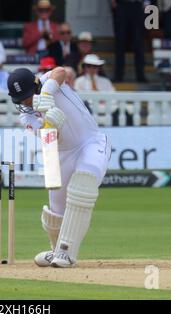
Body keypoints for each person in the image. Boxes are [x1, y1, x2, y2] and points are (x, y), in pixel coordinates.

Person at [7, 67, 111, 268]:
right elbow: (47, 139)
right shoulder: (26, 117)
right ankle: (56, 250)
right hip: (60, 154)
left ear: (36, 85)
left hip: (91, 142)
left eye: (28, 97)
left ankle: (66, 252)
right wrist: (49, 126)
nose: (26, 103)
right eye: (21, 100)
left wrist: (46, 93)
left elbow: (60, 71)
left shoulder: (48, 81)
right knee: (55, 214)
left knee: (84, 181)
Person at [74, 54, 129, 126]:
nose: (92, 69)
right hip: (88, 111)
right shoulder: (79, 81)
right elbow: (79, 98)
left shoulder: (105, 81)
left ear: (98, 68)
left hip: (107, 109)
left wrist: (105, 100)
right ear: (84, 67)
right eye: (89, 66)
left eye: (95, 66)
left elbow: (114, 96)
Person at [112, 0, 147, 82]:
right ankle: (118, 75)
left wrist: (147, 3)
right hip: (122, 5)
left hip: (138, 6)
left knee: (139, 44)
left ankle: (140, 76)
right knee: (120, 43)